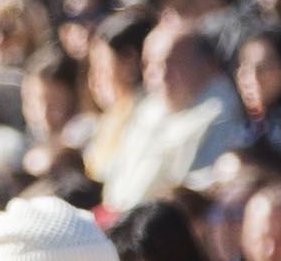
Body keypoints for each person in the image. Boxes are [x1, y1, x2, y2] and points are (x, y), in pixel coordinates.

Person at [99, 22, 241, 210]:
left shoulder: (221, 113)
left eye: (169, 63)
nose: (157, 75)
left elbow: (196, 189)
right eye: (150, 64)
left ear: (207, 66)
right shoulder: (149, 108)